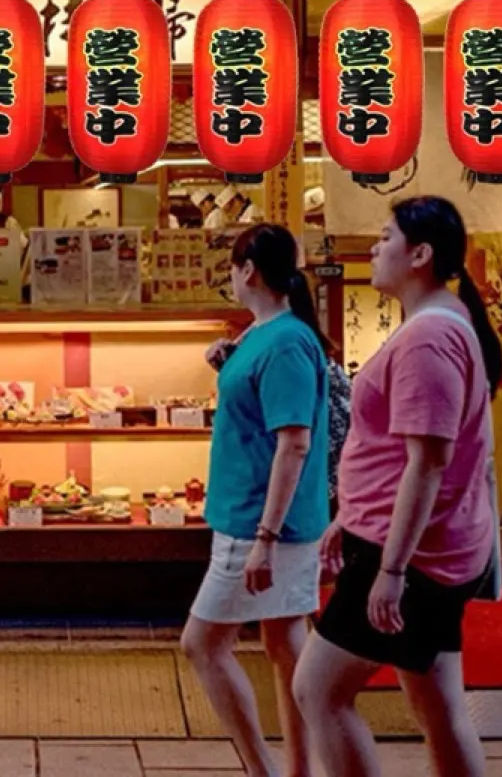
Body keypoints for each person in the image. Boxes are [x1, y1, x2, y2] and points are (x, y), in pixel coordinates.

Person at [292, 196, 499, 777]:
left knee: (318, 691)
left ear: (421, 254)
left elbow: (427, 463)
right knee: (436, 703)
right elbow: (402, 456)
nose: (375, 249)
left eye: (386, 237)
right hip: (427, 544)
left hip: (413, 553)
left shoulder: (428, 339)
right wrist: (350, 515)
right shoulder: (443, 325)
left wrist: (390, 569)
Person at [181, 223, 331, 777]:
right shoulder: (267, 334)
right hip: (270, 519)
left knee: (202, 645)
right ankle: (297, 770)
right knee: (287, 649)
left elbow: (293, 443)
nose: (229, 275)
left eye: (232, 266)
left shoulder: (286, 340)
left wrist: (264, 539)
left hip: (261, 524)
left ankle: (260, 767)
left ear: (248, 271)